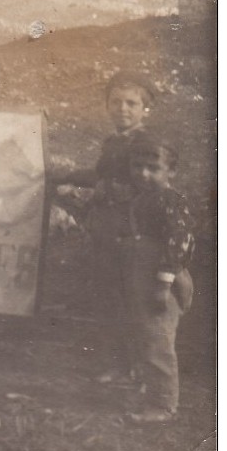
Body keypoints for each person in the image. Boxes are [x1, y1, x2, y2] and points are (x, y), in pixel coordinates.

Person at [50, 71, 193, 385]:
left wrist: (108, 190)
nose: (123, 109)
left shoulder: (147, 146)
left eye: (132, 103)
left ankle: (141, 367)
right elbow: (100, 175)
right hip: (108, 230)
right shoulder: (114, 141)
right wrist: (68, 176)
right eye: (116, 102)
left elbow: (150, 187)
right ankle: (119, 362)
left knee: (136, 302)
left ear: (145, 108)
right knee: (110, 297)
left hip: (135, 233)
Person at [119, 137, 194, 422]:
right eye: (137, 167)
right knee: (143, 334)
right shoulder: (141, 199)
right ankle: (150, 390)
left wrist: (164, 284)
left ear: (170, 171)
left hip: (163, 278)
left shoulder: (172, 201)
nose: (143, 174)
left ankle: (163, 405)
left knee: (158, 338)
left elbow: (179, 242)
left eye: (153, 168)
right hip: (141, 276)